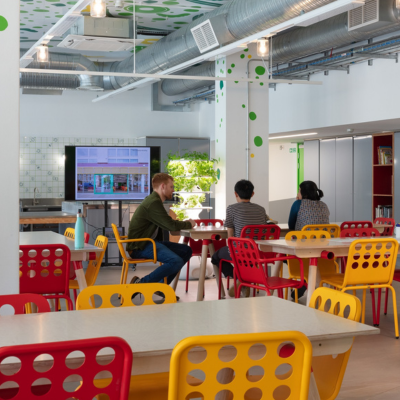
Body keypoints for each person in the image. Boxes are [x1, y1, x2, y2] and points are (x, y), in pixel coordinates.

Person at [127, 173, 195, 297]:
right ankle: (140, 284)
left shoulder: (155, 201)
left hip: (148, 242)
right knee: (175, 261)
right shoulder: (153, 203)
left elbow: (168, 223)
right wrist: (188, 223)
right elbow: (171, 226)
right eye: (171, 187)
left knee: (186, 251)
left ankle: (160, 287)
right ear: (163, 186)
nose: (173, 190)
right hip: (139, 246)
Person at [211, 179, 272, 297]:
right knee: (246, 259)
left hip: (240, 252)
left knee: (215, 256)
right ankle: (245, 280)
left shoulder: (231, 209)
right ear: (252, 194)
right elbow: (264, 230)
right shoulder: (261, 209)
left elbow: (230, 232)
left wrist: (231, 248)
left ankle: (241, 279)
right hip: (256, 252)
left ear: (235, 193)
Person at [287, 180, 329, 300]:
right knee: (308, 258)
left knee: (285, 255)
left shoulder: (298, 204)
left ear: (302, 192)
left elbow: (291, 226)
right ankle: (306, 282)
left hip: (303, 247)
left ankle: (305, 282)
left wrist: (298, 200)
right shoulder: (324, 205)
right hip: (323, 248)